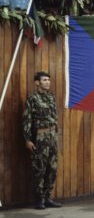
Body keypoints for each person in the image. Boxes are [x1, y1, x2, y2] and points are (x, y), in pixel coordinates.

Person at [22, 71, 62, 210]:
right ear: (37, 82)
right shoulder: (32, 98)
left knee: (52, 169)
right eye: (44, 80)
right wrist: (27, 140)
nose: (48, 82)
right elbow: (26, 120)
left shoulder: (51, 97)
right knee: (39, 169)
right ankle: (39, 200)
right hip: (40, 138)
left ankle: (47, 197)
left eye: (49, 80)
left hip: (52, 137)